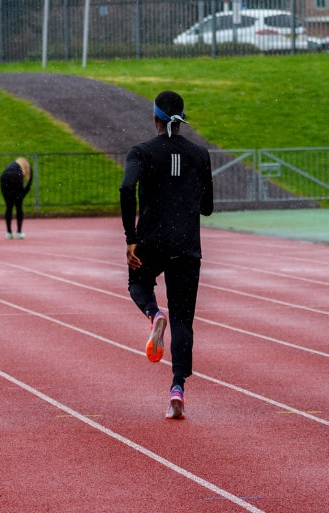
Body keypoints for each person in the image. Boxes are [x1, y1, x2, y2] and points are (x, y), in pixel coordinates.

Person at [119, 90, 213, 420]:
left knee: (137, 283)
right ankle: (177, 389)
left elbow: (126, 188)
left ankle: (154, 313)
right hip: (186, 245)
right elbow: (208, 208)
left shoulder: (141, 152)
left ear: (155, 118)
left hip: (151, 241)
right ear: (182, 119)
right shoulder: (200, 154)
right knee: (184, 320)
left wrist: (131, 238)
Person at [0, 157, 32, 239]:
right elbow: (28, 184)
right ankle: (19, 232)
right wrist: (22, 195)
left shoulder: (11, 165)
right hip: (15, 177)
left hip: (4, 177)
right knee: (18, 206)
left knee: (9, 207)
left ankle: (9, 232)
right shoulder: (22, 170)